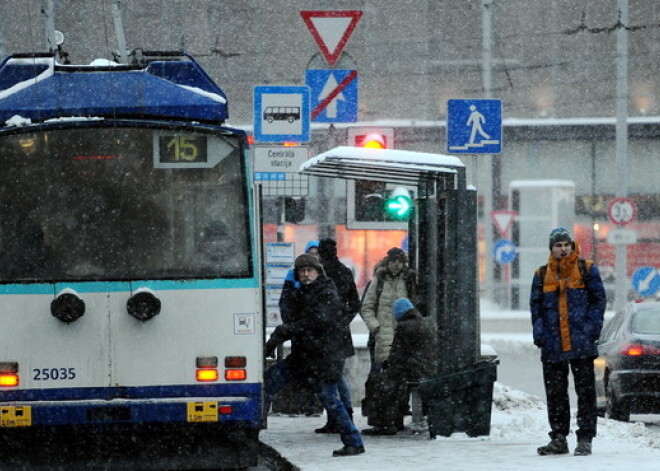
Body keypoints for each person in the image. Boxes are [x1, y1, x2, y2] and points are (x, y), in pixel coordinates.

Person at [265, 254, 365, 457]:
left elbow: (317, 321)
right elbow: (295, 319)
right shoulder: (304, 291)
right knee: (270, 381)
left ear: (318, 271)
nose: (305, 274)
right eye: (301, 271)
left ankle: (354, 441)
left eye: (309, 270)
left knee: (330, 400)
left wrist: (286, 330)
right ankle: (252, 428)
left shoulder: (326, 292)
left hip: (323, 357)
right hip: (305, 355)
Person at [530, 227, 606, 457]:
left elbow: (599, 301)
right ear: (551, 249)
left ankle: (585, 439)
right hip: (553, 345)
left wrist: (591, 329)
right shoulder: (542, 274)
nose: (563, 249)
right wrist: (540, 334)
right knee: (556, 394)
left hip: (581, 343)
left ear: (571, 246)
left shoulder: (587, 269)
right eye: (558, 245)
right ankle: (559, 437)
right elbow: (536, 308)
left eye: (566, 244)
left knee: (585, 393)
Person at [362, 298, 436, 435]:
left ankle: (384, 424)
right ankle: (395, 421)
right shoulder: (424, 322)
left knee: (379, 382)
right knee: (394, 381)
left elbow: (397, 355)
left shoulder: (404, 326)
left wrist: (387, 365)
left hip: (414, 369)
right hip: (425, 368)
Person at [314, 237, 361, 434]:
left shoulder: (320, 274)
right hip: (339, 333)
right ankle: (344, 415)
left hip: (322, 333)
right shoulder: (344, 272)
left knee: (328, 377)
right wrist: (343, 320)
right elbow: (354, 303)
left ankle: (337, 416)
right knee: (337, 376)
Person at [360, 247, 417, 371]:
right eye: (394, 261)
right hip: (384, 336)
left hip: (404, 336)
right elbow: (366, 307)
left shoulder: (408, 280)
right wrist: (375, 327)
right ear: (388, 262)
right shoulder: (379, 280)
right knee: (385, 374)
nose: (397, 264)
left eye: (400, 261)